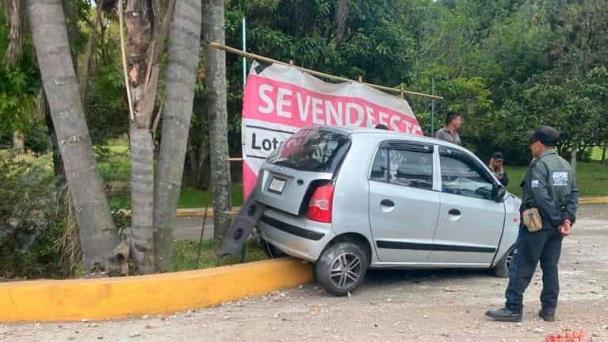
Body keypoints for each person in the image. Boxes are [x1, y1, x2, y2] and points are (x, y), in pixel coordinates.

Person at [485, 126, 579, 323]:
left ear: (538, 143)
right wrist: (566, 220)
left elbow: (540, 195)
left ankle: (513, 308)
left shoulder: (539, 165)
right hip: (557, 227)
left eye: (531, 143)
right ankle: (549, 309)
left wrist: (556, 219)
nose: (530, 147)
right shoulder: (565, 165)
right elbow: (574, 194)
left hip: (537, 224)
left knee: (522, 265)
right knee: (550, 267)